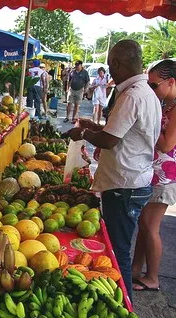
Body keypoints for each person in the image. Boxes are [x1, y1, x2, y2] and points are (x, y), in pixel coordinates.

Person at [66, 40, 162, 300]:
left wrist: (83, 133)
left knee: (118, 251)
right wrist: (95, 126)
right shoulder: (145, 92)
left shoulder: (131, 95)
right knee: (119, 246)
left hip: (124, 185)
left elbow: (111, 141)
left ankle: (123, 303)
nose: (110, 71)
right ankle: (122, 299)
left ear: (117, 64)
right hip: (133, 179)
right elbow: (121, 132)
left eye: (111, 66)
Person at [132, 60, 176, 292]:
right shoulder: (167, 105)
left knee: (151, 226)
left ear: (171, 82)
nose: (150, 89)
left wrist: (150, 127)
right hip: (154, 173)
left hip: (166, 177)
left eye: (154, 84)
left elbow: (168, 144)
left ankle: (153, 278)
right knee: (143, 223)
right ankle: (136, 269)